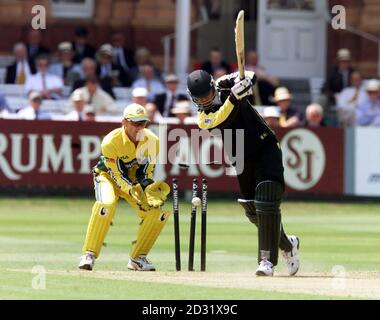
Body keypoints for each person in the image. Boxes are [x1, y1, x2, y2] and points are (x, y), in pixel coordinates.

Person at [187, 69, 300, 276]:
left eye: (208, 94)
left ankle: (266, 261)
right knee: (253, 210)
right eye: (200, 98)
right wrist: (234, 97)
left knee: (266, 200)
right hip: (240, 157)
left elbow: (250, 74)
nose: (205, 100)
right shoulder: (204, 118)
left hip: (265, 145)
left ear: (213, 86)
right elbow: (223, 118)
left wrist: (244, 81)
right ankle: (288, 244)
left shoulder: (223, 83)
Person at [78, 103, 171, 271]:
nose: (139, 128)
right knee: (106, 205)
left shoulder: (152, 141)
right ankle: (89, 254)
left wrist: (148, 188)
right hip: (107, 177)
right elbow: (117, 174)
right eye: (135, 123)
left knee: (156, 213)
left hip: (133, 182)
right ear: (124, 122)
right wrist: (133, 190)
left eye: (142, 123)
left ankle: (138, 258)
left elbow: (146, 171)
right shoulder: (110, 142)